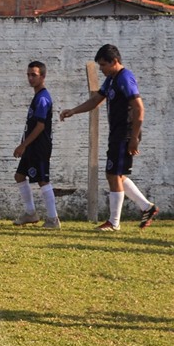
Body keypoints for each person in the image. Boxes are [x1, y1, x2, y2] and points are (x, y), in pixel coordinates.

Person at [60, 44, 159, 230]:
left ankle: (114, 223)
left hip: (125, 134)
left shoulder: (125, 78)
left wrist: (134, 137)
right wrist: (73, 110)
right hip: (117, 133)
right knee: (116, 174)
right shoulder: (112, 79)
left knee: (113, 174)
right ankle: (147, 207)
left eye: (103, 65)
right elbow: (95, 100)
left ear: (115, 62)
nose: (101, 69)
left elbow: (139, 108)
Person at [13, 61, 60, 229]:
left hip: (39, 146)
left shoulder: (43, 98)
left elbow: (40, 126)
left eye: (34, 75)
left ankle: (53, 219)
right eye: (28, 75)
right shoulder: (37, 96)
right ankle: (30, 212)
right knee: (19, 176)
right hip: (31, 146)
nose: (30, 78)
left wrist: (23, 145)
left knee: (42, 180)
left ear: (43, 76)